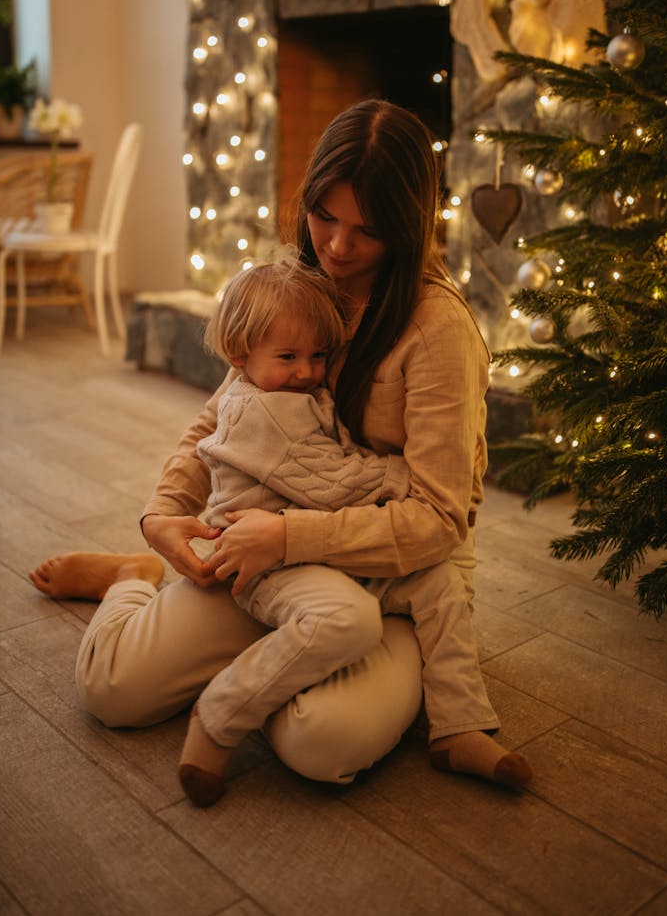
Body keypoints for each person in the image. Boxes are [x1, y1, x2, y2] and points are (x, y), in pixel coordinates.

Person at [29, 98, 532, 793]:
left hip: (394, 564)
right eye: (324, 215)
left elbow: (438, 520)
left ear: (410, 225)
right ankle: (132, 579)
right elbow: (222, 416)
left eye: (367, 228)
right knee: (110, 689)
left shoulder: (438, 329)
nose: (337, 247)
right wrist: (163, 513)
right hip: (271, 546)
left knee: (317, 740)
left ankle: (283, 657)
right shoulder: (296, 285)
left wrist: (288, 537)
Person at [176, 258, 530, 806]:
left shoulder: (296, 384)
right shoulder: (263, 413)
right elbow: (332, 480)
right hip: (268, 564)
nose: (308, 370)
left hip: (324, 543)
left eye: (319, 355)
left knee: (440, 586)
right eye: (289, 357)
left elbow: (350, 490)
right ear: (240, 357)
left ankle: (459, 726)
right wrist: (404, 477)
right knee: (345, 622)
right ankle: (217, 716)